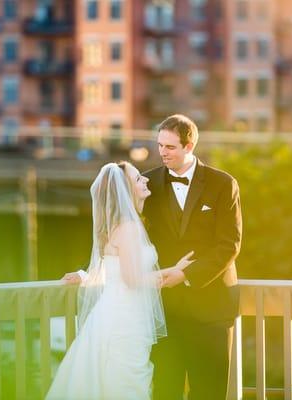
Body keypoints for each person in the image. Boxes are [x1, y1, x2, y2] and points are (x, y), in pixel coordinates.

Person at [46, 161, 194, 400]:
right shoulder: (128, 228)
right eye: (138, 179)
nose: (145, 180)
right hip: (125, 319)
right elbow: (133, 279)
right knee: (126, 384)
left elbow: (113, 268)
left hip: (117, 312)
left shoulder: (119, 225)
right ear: (126, 190)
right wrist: (175, 271)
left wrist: (85, 275)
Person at [143, 114, 243, 400]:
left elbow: (230, 244)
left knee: (209, 393)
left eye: (170, 147)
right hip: (165, 313)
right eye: (160, 145)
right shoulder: (146, 184)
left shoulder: (223, 184)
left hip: (210, 310)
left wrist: (186, 275)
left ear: (189, 146)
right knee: (165, 391)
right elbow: (125, 237)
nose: (162, 152)